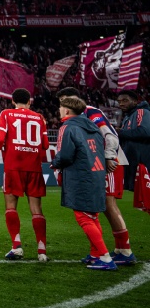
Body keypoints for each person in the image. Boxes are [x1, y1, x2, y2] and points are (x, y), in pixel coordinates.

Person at [58, 87, 136, 265]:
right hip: (96, 164)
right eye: (61, 101)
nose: (63, 105)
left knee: (108, 204)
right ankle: (99, 252)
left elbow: (110, 135)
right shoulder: (75, 118)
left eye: (65, 100)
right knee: (94, 208)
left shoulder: (90, 112)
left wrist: (109, 157)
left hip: (108, 163)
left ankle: (124, 250)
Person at [51, 95, 116, 270]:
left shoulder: (68, 127)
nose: (59, 110)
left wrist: (55, 163)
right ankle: (95, 254)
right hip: (96, 174)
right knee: (93, 217)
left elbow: (65, 155)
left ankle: (105, 258)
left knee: (83, 217)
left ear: (66, 110)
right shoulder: (93, 126)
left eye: (60, 108)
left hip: (81, 175)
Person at [0, 88, 50, 262]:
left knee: (11, 206)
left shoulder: (6, 113)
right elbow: (46, 145)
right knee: (36, 209)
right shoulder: (39, 117)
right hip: (34, 167)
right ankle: (42, 251)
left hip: (13, 166)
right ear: (29, 102)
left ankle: (16, 247)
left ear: (13, 101)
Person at [117, 90, 150, 216]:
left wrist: (120, 132)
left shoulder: (142, 112)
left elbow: (145, 132)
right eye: (119, 101)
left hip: (143, 164)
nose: (121, 104)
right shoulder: (128, 117)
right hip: (133, 164)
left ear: (135, 101)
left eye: (125, 100)